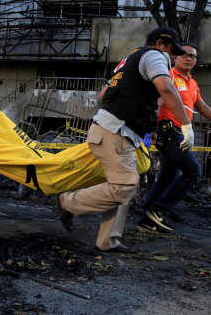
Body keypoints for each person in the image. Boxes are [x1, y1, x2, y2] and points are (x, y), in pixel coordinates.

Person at [55, 27, 192, 254]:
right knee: (125, 185)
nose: (172, 56)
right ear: (160, 44)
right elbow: (166, 88)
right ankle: (68, 203)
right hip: (115, 132)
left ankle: (109, 240)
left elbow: (102, 95)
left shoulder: (128, 61)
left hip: (114, 130)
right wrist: (186, 124)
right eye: (171, 50)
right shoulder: (154, 56)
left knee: (125, 186)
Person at [139, 42, 211, 233]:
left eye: (193, 56)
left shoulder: (192, 83)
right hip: (168, 132)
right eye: (184, 55)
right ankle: (158, 211)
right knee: (193, 172)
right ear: (175, 57)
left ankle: (147, 219)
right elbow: (158, 102)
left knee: (168, 177)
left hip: (180, 133)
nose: (189, 58)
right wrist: (148, 130)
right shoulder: (168, 75)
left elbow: (202, 107)